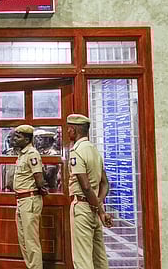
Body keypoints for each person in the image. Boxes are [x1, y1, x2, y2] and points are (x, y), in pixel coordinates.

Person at [66, 114, 113, 269]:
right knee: (99, 257)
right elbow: (105, 183)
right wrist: (100, 209)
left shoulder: (77, 152)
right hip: (94, 208)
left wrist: (96, 206)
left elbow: (85, 187)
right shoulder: (94, 150)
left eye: (68, 129)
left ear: (74, 130)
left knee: (82, 259)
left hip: (82, 208)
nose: (67, 132)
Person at [13, 125, 48, 269]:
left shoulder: (32, 154)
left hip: (30, 199)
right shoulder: (22, 154)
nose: (15, 139)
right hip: (21, 199)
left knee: (31, 241)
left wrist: (41, 187)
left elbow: (38, 177)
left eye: (18, 137)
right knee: (24, 240)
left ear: (27, 139)